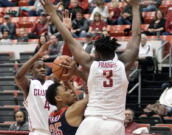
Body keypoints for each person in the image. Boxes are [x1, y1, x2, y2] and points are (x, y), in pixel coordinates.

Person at [41, 0, 141, 135]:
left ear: (97, 53)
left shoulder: (91, 64)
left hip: (91, 123)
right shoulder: (123, 64)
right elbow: (136, 37)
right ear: (114, 51)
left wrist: (52, 13)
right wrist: (135, 7)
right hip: (114, 124)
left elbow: (69, 39)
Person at [15, 40, 57, 135]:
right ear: (31, 71)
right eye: (38, 67)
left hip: (54, 131)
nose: (42, 69)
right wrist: (37, 56)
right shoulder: (30, 85)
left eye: (43, 67)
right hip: (38, 132)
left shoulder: (52, 83)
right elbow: (18, 76)